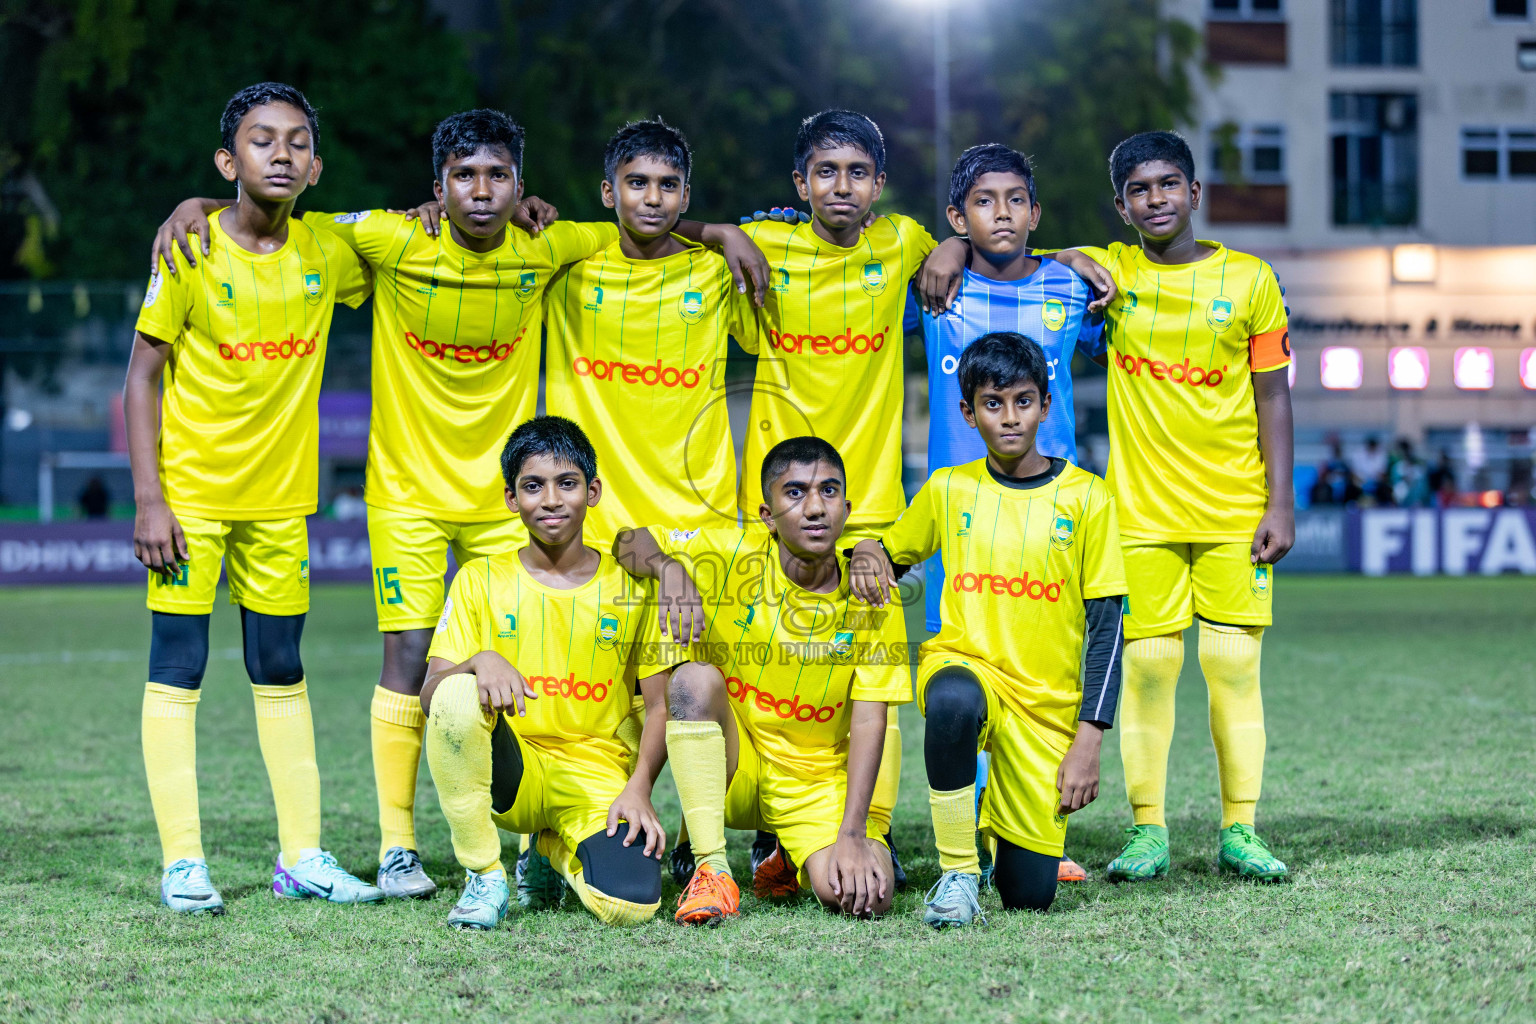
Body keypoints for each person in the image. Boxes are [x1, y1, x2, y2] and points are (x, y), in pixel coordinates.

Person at [150, 110, 767, 900]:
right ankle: (399, 845)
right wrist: (195, 207)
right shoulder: (386, 238)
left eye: (498, 177)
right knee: (409, 664)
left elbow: (641, 218)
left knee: (525, 668)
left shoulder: (549, 244)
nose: (482, 192)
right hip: (405, 491)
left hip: (502, 501)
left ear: (522, 187)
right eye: (464, 177)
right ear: (435, 187)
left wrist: (720, 231)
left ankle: (543, 824)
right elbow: (275, 215)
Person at [927, 130, 1294, 882]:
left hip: (1234, 508)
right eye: (1139, 190)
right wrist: (951, 247)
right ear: (1120, 206)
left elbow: (1274, 396)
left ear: (1195, 193)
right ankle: (1148, 829)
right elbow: (1040, 255)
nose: (1156, 199)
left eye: (1169, 185)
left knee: (1231, 665)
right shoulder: (1109, 274)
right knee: (1148, 667)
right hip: (1138, 513)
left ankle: (1241, 830)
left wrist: (1281, 501)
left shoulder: (1249, 279)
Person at [124, 82, 382, 914]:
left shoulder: (329, 253)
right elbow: (142, 377)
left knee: (282, 670)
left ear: (315, 165)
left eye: (298, 142)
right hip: (191, 500)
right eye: (262, 140)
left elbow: (424, 231)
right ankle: (182, 863)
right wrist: (148, 498)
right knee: (179, 668)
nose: (282, 152)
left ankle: (301, 857)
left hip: (280, 505)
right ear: (228, 162)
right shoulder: (190, 251)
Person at [851, 332, 1125, 925]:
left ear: (1046, 405)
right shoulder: (950, 489)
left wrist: (1089, 740)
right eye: (993, 404)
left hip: (1044, 709)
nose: (1009, 418)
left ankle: (1000, 830)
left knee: (1030, 896)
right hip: (967, 666)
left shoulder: (1089, 500)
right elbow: (887, 552)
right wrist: (868, 553)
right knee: (950, 700)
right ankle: (957, 871)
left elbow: (1107, 629)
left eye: (1023, 401)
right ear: (968, 413)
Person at [904, 142, 1110, 886]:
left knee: (1041, 672)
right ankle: (976, 835)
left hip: (1050, 512)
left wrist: (1077, 255)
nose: (1003, 214)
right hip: (960, 517)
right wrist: (948, 246)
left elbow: (1107, 327)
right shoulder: (934, 287)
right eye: (983, 203)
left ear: (1036, 212)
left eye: (1016, 200)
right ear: (958, 215)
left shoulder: (1070, 287)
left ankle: (1022, 828)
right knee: (967, 670)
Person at [614, 436, 911, 924]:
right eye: (794, 493)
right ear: (767, 515)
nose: (815, 507)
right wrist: (667, 567)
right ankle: (711, 871)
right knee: (692, 680)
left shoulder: (872, 591)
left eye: (829, 491)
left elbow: (872, 718)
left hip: (817, 783)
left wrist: (854, 833)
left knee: (867, 898)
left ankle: (789, 856)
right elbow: (627, 540)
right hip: (738, 762)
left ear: (847, 507)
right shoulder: (730, 554)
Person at [420, 416, 677, 929]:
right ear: (512, 499)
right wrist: (479, 662)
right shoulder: (479, 579)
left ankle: (548, 849)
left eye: (567, 483)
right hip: (512, 772)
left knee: (630, 907)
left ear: (593, 491)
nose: (552, 500)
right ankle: (485, 873)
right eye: (533, 486)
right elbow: (430, 696)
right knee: (455, 695)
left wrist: (640, 788)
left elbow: (661, 706)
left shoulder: (630, 586)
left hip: (598, 775)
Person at [544, 118, 762, 546]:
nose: (652, 198)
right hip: (593, 520)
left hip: (697, 517)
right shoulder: (565, 273)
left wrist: (744, 231)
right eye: (637, 182)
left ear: (685, 196)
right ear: (609, 193)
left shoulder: (717, 272)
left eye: (668, 185)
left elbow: (763, 338)